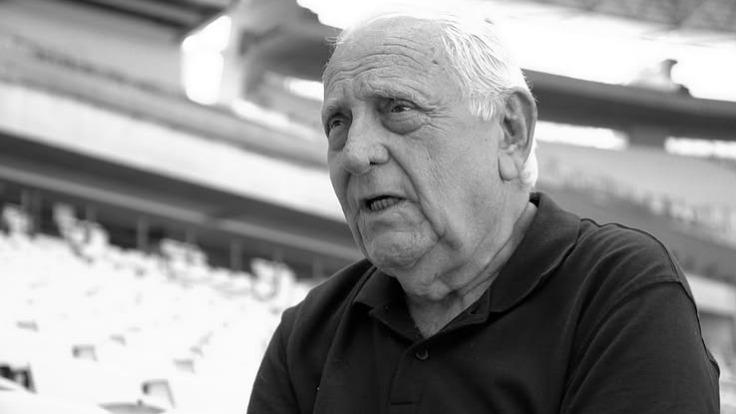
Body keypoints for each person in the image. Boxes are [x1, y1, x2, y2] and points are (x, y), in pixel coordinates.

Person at [248, 9, 720, 414]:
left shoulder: (618, 288)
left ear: (511, 132)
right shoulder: (307, 333)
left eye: (398, 109)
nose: (355, 153)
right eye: (338, 122)